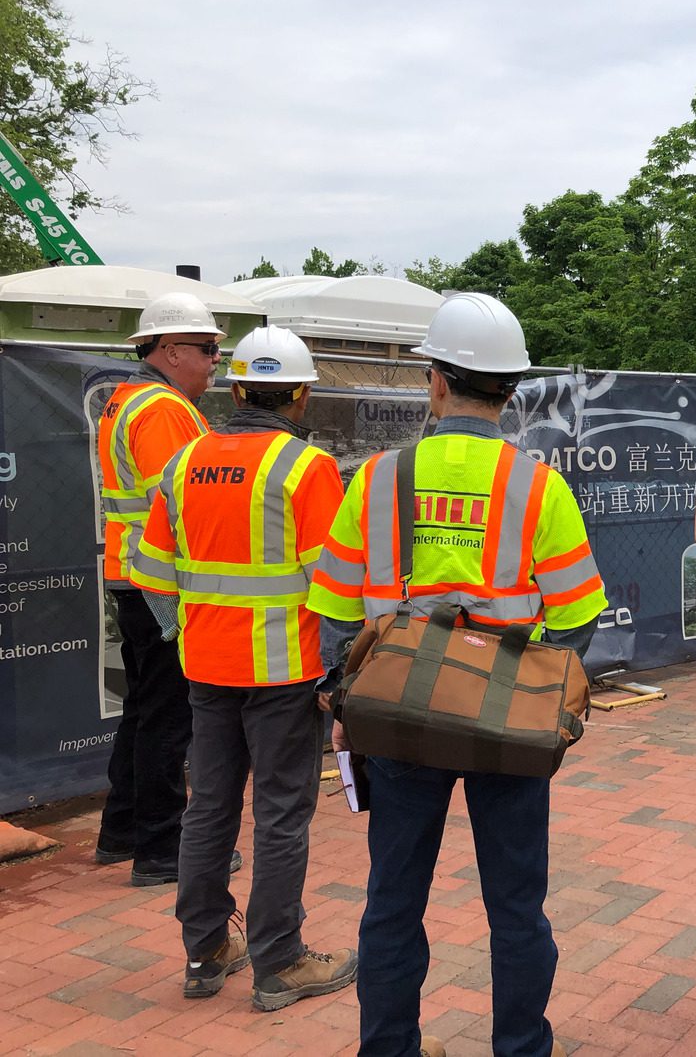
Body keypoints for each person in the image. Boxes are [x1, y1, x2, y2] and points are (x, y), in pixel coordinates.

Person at [309, 293, 606, 1057]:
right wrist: (537, 694)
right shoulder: (539, 486)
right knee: (517, 906)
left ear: (436, 381)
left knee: (392, 901)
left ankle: (391, 1046)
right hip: (506, 727)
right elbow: (577, 620)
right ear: (510, 390)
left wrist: (343, 698)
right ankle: (520, 1046)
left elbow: (335, 613)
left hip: (404, 716)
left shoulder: (375, 480)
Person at [130, 326, 356, 1007]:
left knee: (209, 811)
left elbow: (149, 571)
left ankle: (205, 952)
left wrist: (186, 634)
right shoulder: (304, 467)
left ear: (234, 388)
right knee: (282, 814)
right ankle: (280, 959)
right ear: (302, 393)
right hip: (283, 673)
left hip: (206, 669)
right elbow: (336, 585)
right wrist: (338, 674)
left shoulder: (187, 460)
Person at [94, 292, 236, 886]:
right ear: (171, 350)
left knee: (144, 711)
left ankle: (122, 832)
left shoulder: (129, 400)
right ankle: (161, 851)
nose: (214, 363)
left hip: (133, 577)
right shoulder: (163, 410)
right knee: (167, 719)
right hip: (158, 585)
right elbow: (178, 505)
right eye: (207, 351)